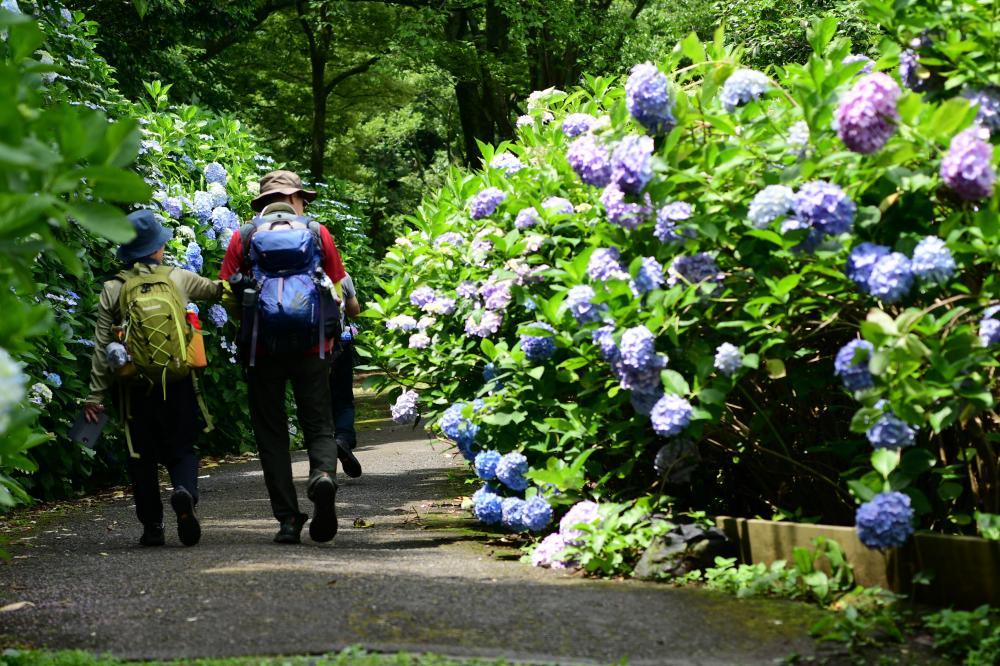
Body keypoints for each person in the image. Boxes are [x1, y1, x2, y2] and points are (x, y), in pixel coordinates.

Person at [219, 170, 348, 545]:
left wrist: (252, 319)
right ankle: (323, 475)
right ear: (297, 200)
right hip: (312, 348)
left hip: (262, 351)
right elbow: (336, 290)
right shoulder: (317, 232)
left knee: (271, 434)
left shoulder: (244, 236)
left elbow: (228, 293)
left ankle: (289, 521)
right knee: (319, 424)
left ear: (262, 203)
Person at [84, 209, 225, 548]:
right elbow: (218, 291)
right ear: (158, 248)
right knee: (182, 448)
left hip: (135, 389)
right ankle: (184, 491)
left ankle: (153, 528)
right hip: (178, 382)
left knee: (141, 458)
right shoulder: (178, 277)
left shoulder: (113, 289)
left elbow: (103, 346)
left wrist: (95, 397)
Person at [330, 272, 362, 477]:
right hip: (336, 346)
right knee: (343, 400)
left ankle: (321, 462)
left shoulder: (285, 269)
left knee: (313, 402)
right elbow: (354, 311)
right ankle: (342, 438)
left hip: (301, 351)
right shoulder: (341, 274)